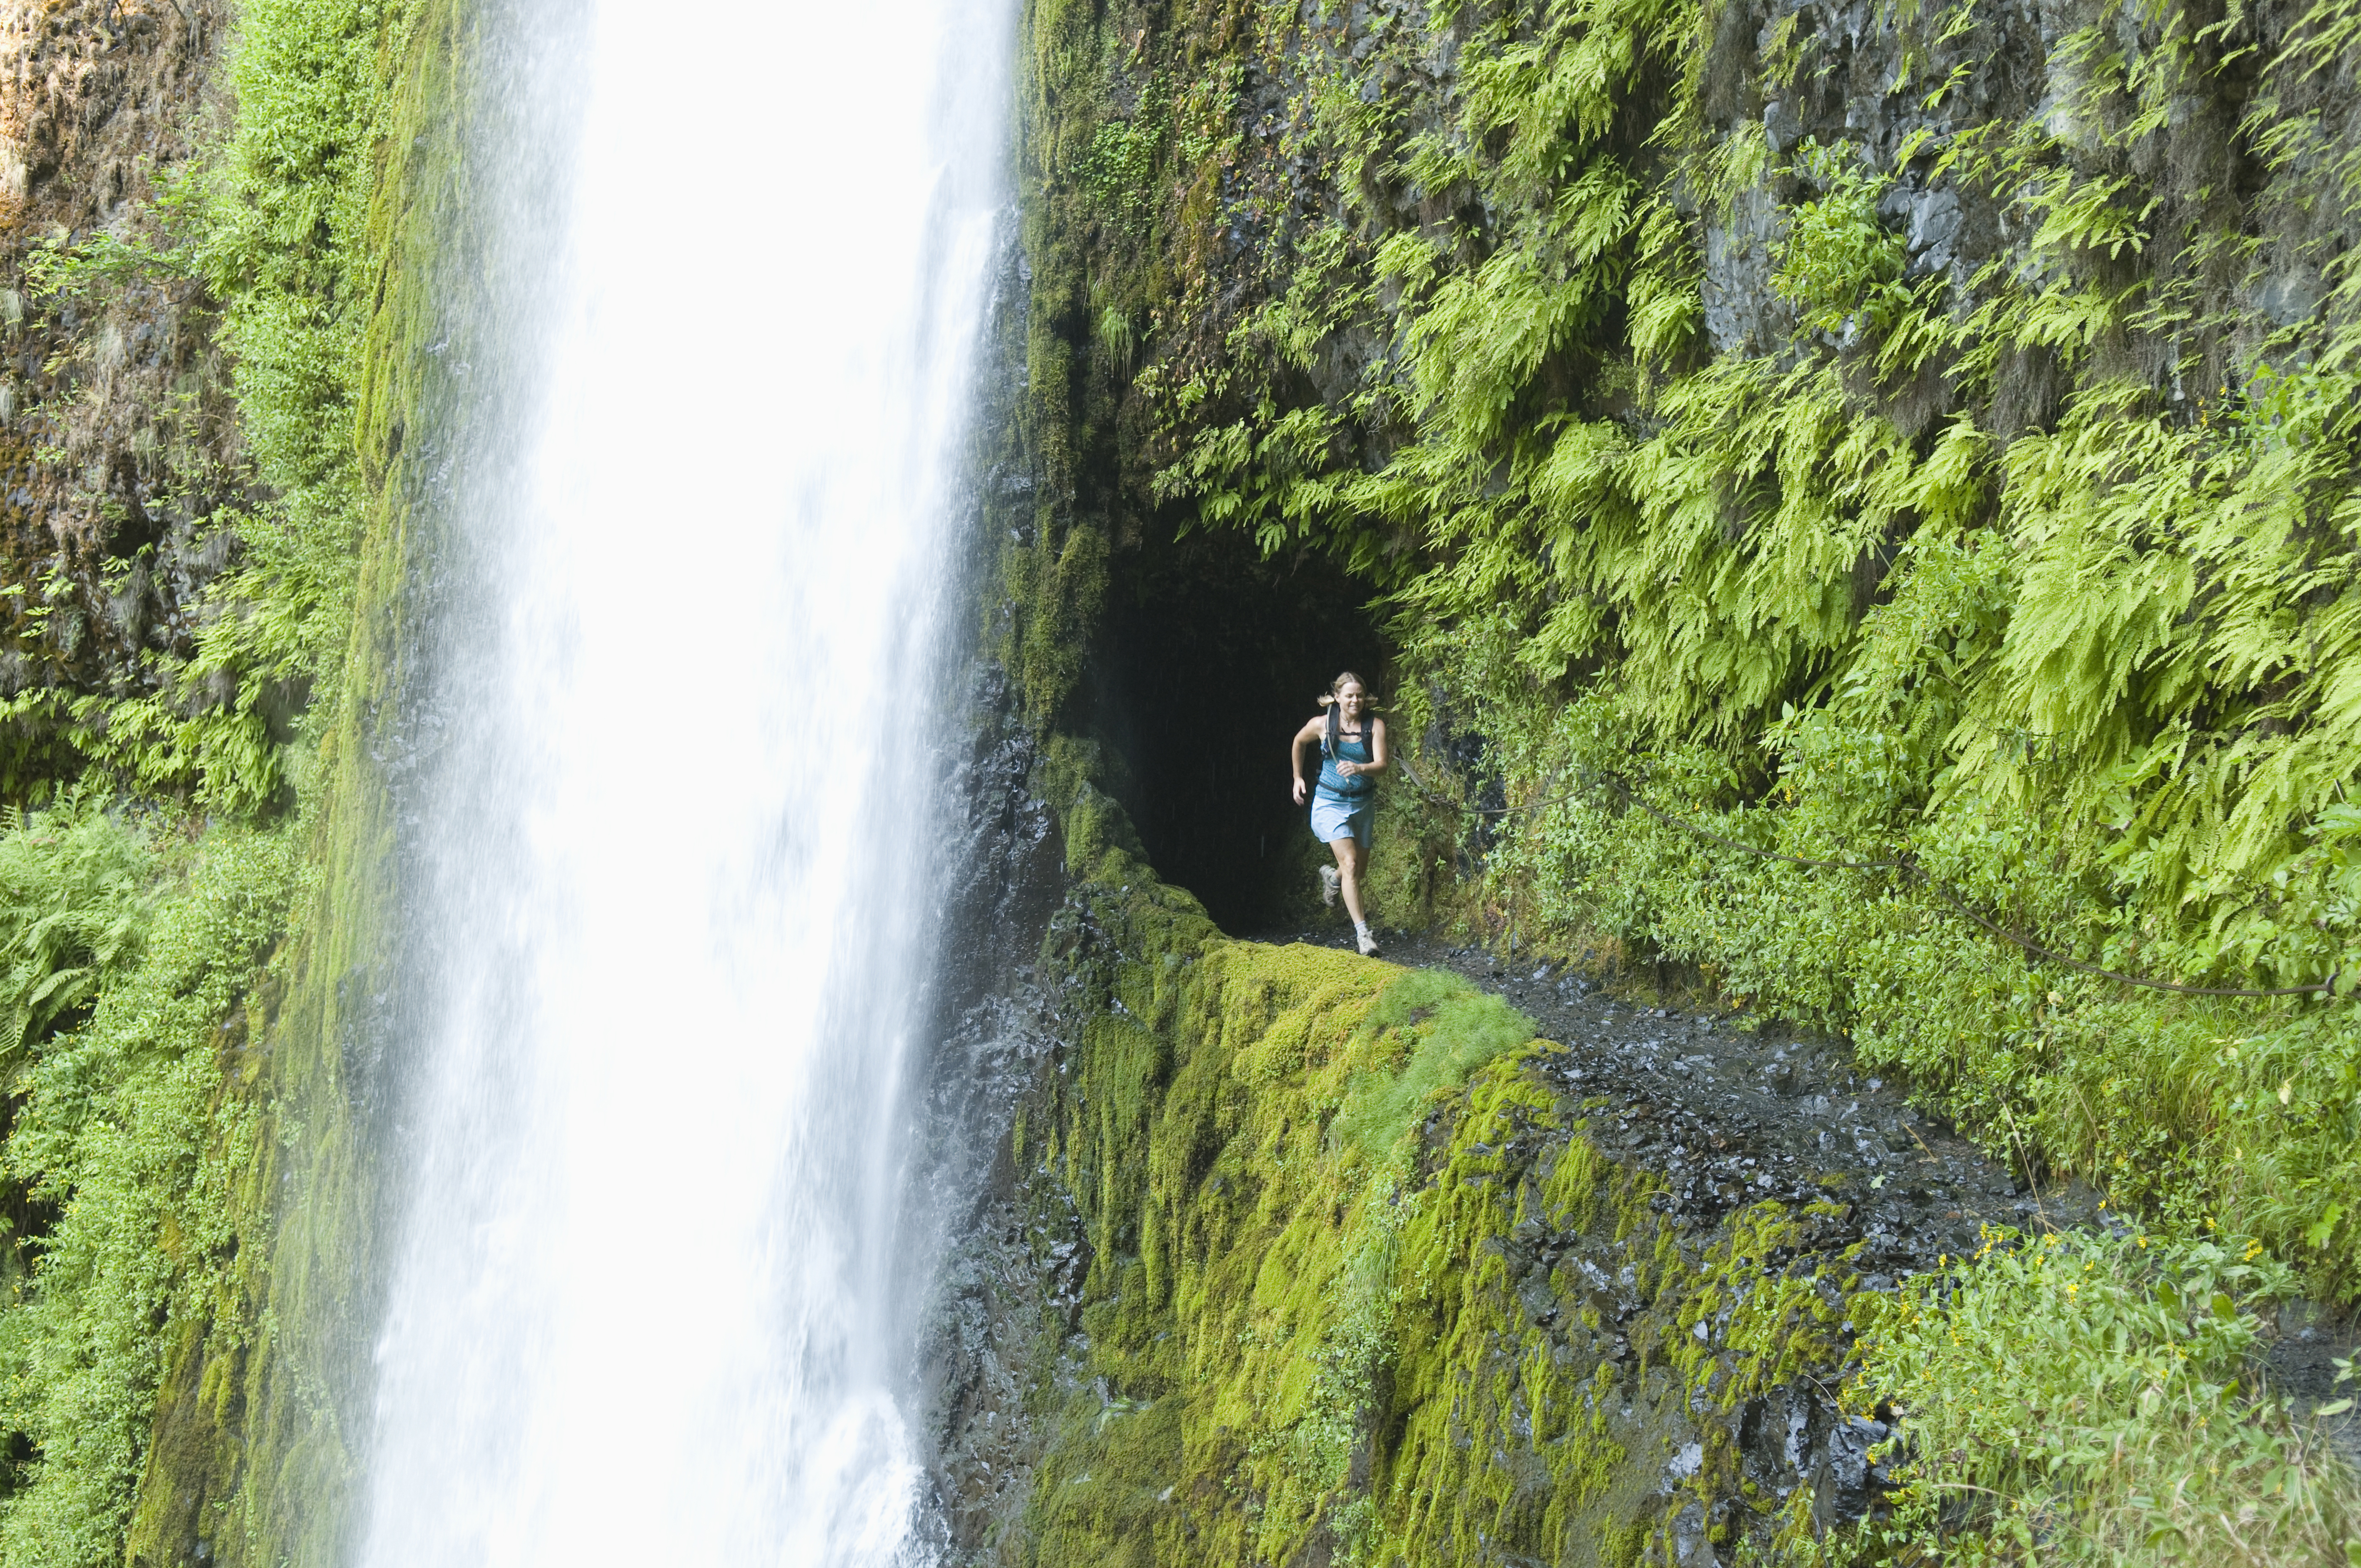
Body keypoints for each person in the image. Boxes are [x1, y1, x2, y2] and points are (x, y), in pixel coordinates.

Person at [1290, 671, 1388, 957]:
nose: (1355, 700)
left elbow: (1382, 765)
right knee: (1352, 864)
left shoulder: (1375, 726)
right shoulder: (1322, 724)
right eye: (1349, 695)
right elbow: (1298, 742)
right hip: (1329, 803)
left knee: (1356, 871)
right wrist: (1298, 778)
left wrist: (1359, 768)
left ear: (1365, 697)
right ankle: (1364, 936)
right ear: (1337, 697)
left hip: (1363, 803)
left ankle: (1333, 880)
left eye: (1359, 695)